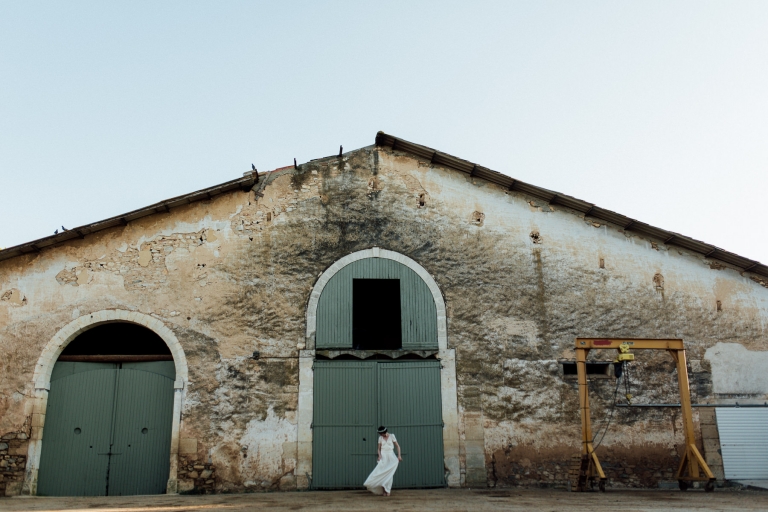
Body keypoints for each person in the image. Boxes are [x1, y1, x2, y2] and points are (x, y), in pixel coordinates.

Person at [363, 426, 402, 496]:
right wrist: (379, 455)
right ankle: (383, 490)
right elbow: (379, 449)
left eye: (382, 433)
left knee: (389, 474)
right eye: (380, 434)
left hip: (391, 456)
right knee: (381, 472)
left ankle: (388, 490)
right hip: (383, 456)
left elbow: (397, 446)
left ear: (385, 432)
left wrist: (399, 456)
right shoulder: (380, 438)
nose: (381, 435)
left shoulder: (392, 436)